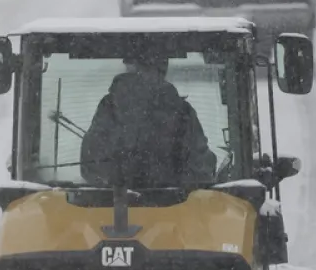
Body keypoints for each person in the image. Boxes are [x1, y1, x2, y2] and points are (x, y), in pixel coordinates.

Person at [79, 55, 217, 187]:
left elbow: (91, 164)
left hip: (111, 206)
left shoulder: (109, 107)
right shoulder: (181, 111)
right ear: (162, 69)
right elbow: (200, 168)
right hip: (174, 206)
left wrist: (119, 186)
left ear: (131, 66)